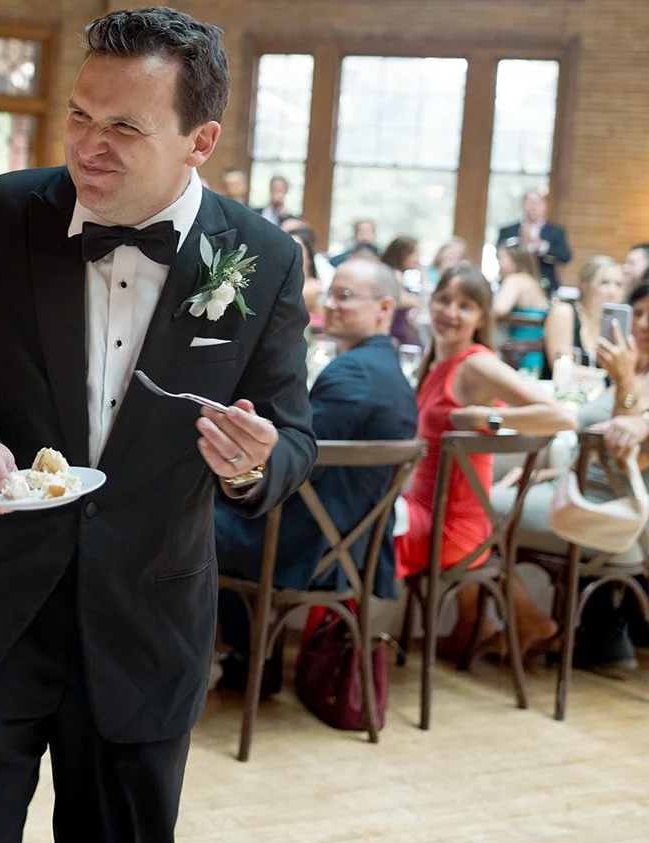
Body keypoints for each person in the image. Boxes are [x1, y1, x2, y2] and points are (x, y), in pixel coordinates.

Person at [0, 7, 315, 843]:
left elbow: (292, 438)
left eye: (125, 127)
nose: (90, 145)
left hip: (144, 624)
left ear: (200, 141)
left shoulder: (263, 259)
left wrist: (251, 464)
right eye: (81, 116)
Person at [215, 257, 419, 694]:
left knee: (191, 521)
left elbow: (296, 459)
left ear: (385, 307)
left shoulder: (353, 373)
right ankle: (245, 659)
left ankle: (230, 660)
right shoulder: (389, 372)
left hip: (308, 548)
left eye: (345, 296)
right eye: (330, 294)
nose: (331, 305)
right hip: (349, 544)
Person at [398, 265, 575, 662]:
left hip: (450, 524)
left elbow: (562, 416)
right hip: (435, 510)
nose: (450, 312)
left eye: (465, 305)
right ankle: (485, 627)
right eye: (444, 300)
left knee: (366, 532)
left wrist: (485, 417)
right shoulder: (434, 361)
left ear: (481, 317)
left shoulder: (476, 363)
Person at [495, 281, 649, 670]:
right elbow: (592, 454)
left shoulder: (630, 379)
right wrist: (543, 472)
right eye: (638, 313)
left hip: (610, 516)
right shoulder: (629, 372)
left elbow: (623, 459)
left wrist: (625, 383)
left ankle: (530, 624)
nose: (643, 324)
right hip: (580, 495)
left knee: (472, 513)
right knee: (478, 502)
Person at [544, 255, 625, 370]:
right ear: (585, 284)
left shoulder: (617, 324)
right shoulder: (563, 312)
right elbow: (561, 368)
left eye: (619, 285)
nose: (612, 292)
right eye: (604, 283)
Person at [498, 189, 571, 294]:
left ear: (545, 205)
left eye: (537, 202)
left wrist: (541, 246)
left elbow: (565, 257)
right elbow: (499, 254)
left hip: (545, 285)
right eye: (529, 202)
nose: (533, 206)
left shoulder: (556, 232)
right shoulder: (508, 231)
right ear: (523, 205)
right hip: (512, 282)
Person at [494, 242, 551, 374]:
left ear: (515, 262)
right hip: (537, 354)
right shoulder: (534, 283)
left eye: (501, 258)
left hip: (518, 355)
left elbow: (498, 309)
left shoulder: (515, 279)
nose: (498, 264)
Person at [379, 236, 424, 347]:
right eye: (415, 254)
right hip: (395, 334)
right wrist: (417, 303)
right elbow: (399, 300)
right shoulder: (395, 274)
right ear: (403, 254)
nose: (418, 259)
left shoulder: (389, 272)